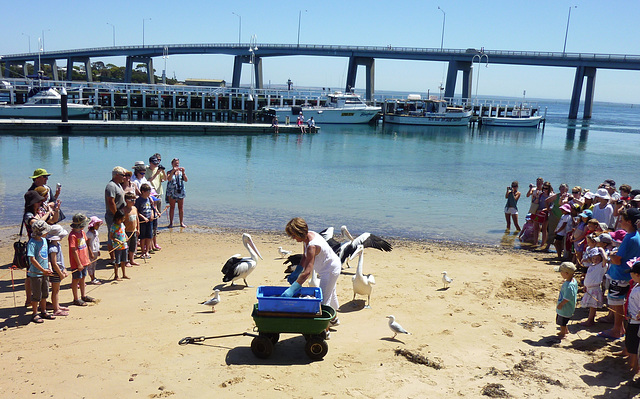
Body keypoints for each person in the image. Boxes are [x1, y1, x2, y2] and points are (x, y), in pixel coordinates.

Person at [283, 217, 341, 332]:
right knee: (331, 295)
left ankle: (324, 331)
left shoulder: (312, 246)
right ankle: (334, 320)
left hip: (330, 270)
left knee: (323, 302)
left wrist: (292, 289)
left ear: (300, 232)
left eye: (294, 235)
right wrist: (297, 271)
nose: (293, 238)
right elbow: (305, 256)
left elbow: (307, 272)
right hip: (329, 266)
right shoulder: (309, 236)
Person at [599, 208, 640, 339]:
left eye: (622, 220)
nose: (620, 222)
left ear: (628, 221)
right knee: (619, 303)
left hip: (620, 275)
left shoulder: (629, 238)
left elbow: (617, 260)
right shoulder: (637, 236)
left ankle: (617, 329)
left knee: (617, 303)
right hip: (627, 275)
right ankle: (620, 328)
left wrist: (610, 254)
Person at [27, 220, 54, 324]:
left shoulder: (44, 240)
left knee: (45, 293)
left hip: (45, 272)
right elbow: (32, 259)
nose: (46, 233)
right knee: (37, 294)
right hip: (36, 273)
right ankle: (34, 313)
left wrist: (49, 267)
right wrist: (42, 270)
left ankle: (43, 311)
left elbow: (46, 256)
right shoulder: (32, 242)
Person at [579, 233, 609, 326]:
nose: (595, 260)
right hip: (589, 288)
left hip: (595, 288)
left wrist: (601, 250)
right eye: (593, 258)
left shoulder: (601, 266)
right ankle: (590, 319)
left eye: (597, 258)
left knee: (593, 305)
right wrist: (585, 286)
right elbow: (588, 276)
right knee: (591, 305)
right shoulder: (592, 266)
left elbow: (605, 259)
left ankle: (590, 320)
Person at [69, 213, 95, 306]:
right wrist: (79, 263)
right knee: (76, 279)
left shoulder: (82, 233)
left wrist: (87, 259)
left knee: (83, 278)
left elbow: (85, 246)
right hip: (77, 263)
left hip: (84, 260)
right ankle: (76, 298)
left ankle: (83, 295)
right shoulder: (73, 235)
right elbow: (74, 250)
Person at [105, 166, 127, 263]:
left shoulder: (118, 185)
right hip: (113, 216)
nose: (124, 177)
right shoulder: (111, 186)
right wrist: (116, 215)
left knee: (120, 235)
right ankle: (113, 258)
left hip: (119, 215)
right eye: (123, 175)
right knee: (112, 235)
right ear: (116, 175)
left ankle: (117, 257)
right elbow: (111, 202)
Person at [47, 224, 70, 317]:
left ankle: (57, 305)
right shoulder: (52, 248)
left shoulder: (57, 244)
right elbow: (54, 263)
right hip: (56, 272)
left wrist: (64, 269)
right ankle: (56, 309)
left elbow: (61, 261)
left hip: (59, 270)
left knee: (57, 290)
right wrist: (60, 274)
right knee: (55, 290)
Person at [145, 153, 166, 251]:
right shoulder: (147, 170)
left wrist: (163, 171)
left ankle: (154, 237)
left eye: (157, 163)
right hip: (150, 195)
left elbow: (165, 179)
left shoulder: (159, 170)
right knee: (151, 216)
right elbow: (148, 181)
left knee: (157, 214)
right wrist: (157, 173)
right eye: (154, 163)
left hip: (158, 193)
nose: (156, 165)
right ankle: (149, 241)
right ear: (150, 163)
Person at [555, 261, 578, 339]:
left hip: (565, 307)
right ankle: (565, 330)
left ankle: (563, 332)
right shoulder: (573, 280)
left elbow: (567, 298)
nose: (560, 273)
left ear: (567, 273)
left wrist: (561, 304)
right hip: (567, 307)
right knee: (563, 320)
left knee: (562, 321)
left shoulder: (569, 286)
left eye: (562, 272)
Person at [626, 261, 640, 375]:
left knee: (634, 345)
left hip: (636, 323)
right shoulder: (636, 285)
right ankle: (632, 363)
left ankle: (635, 367)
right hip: (632, 319)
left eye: (632, 274)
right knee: (630, 343)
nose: (630, 276)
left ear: (638, 275)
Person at [166, 158, 188, 228]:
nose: (176, 165)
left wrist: (183, 172)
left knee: (180, 208)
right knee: (172, 207)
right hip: (172, 191)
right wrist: (173, 172)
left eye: (177, 164)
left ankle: (181, 222)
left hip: (180, 191)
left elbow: (186, 180)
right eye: (175, 164)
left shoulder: (181, 172)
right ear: (172, 164)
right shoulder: (169, 172)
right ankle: (171, 223)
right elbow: (168, 179)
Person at [135, 183, 155, 259]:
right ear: (143, 191)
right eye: (148, 191)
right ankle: (143, 251)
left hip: (149, 220)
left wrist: (152, 215)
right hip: (142, 221)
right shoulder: (139, 200)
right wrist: (143, 218)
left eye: (149, 191)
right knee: (142, 237)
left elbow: (152, 208)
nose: (149, 193)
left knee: (149, 236)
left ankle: (147, 251)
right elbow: (137, 211)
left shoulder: (149, 199)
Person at [110, 209, 129, 280]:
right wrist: (118, 241)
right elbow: (111, 237)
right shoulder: (113, 226)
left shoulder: (122, 224)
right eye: (122, 219)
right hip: (117, 246)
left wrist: (126, 237)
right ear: (117, 218)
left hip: (124, 245)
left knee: (123, 261)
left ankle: (124, 274)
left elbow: (124, 232)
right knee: (117, 262)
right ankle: (116, 275)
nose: (123, 220)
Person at [123, 192, 140, 266]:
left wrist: (138, 229)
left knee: (133, 246)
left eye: (134, 200)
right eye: (132, 200)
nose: (134, 202)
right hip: (127, 231)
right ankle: (126, 261)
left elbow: (137, 219)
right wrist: (123, 233)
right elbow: (121, 223)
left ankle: (132, 260)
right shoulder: (124, 210)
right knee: (126, 246)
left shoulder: (134, 208)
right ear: (126, 200)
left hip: (134, 230)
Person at [85, 216, 103, 285]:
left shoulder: (95, 232)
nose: (98, 226)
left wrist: (98, 250)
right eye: (97, 224)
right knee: (90, 266)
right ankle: (92, 278)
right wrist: (90, 252)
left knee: (94, 265)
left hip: (95, 250)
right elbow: (88, 244)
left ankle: (93, 276)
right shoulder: (89, 234)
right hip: (91, 251)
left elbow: (97, 241)